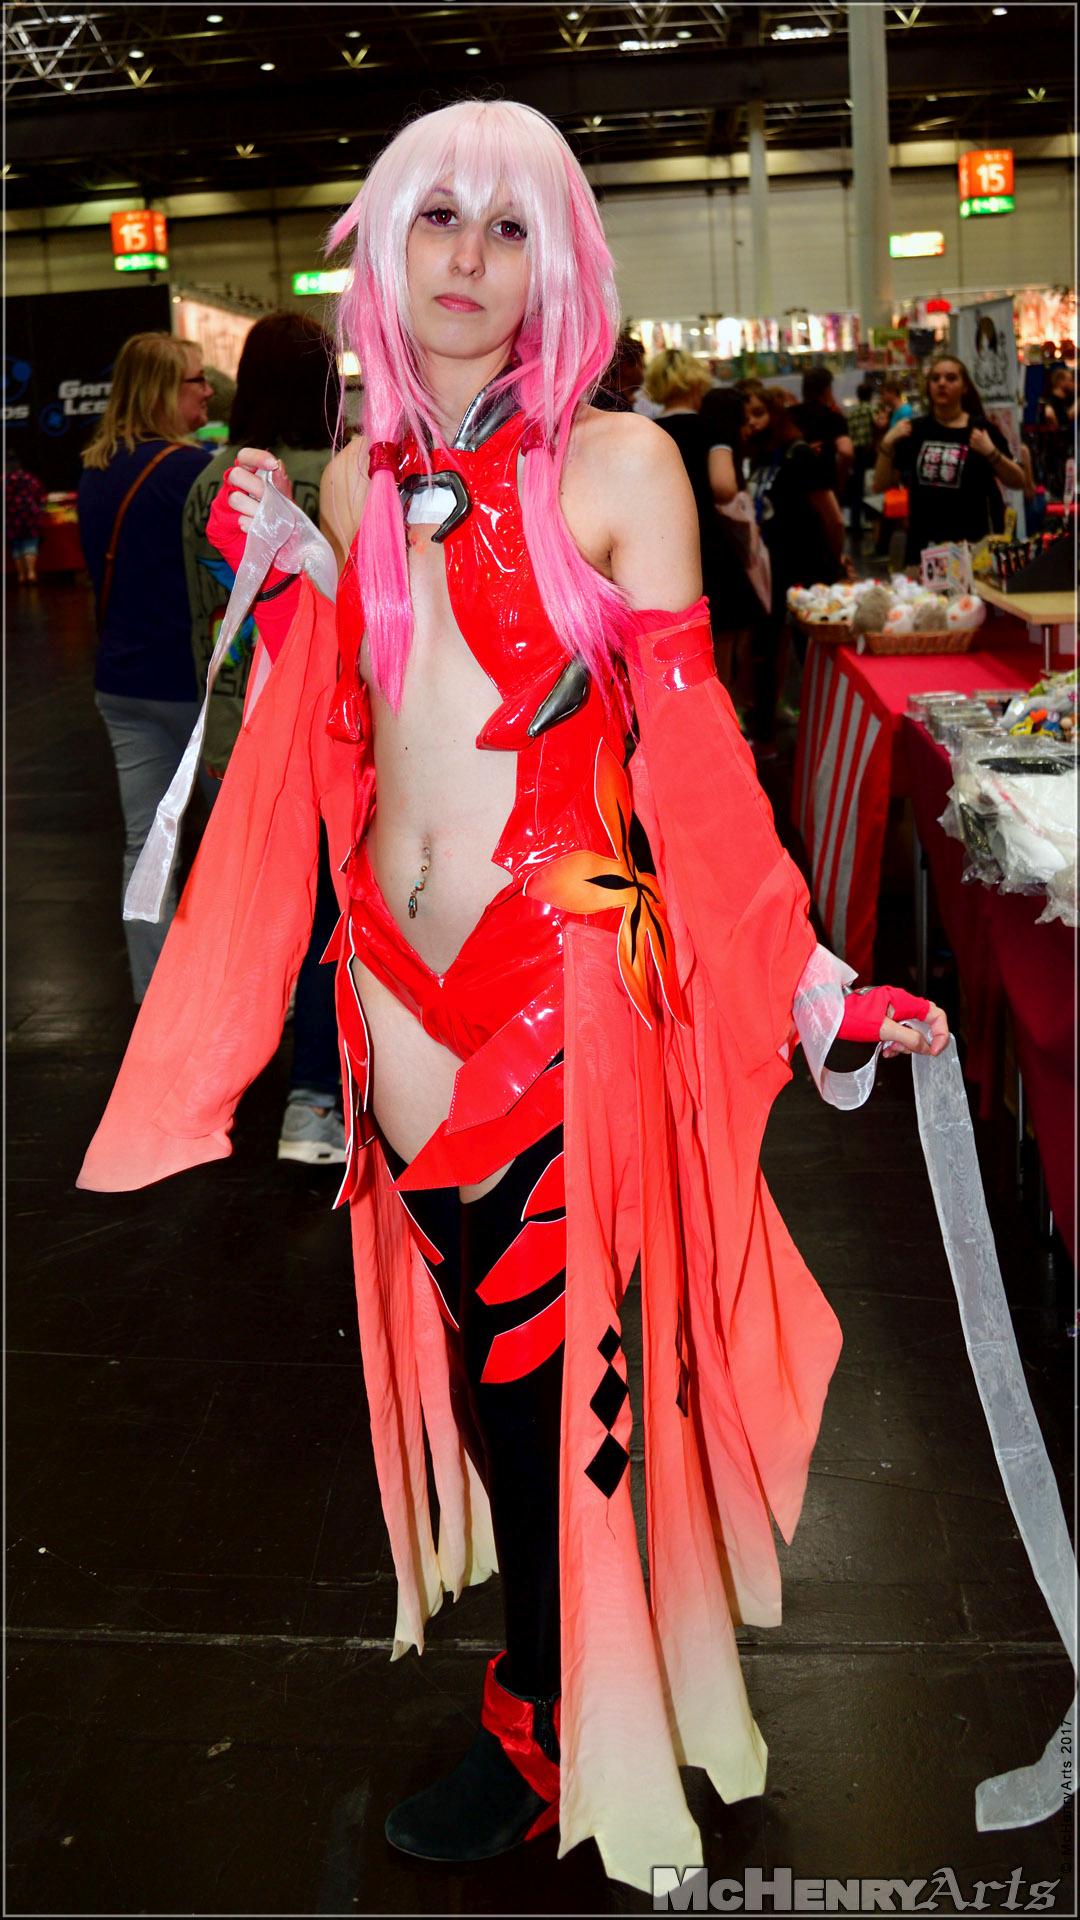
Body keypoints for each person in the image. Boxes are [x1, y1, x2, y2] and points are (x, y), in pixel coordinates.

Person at [78, 99, 947, 1893]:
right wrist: (306, 585)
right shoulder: (354, 478)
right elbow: (368, 730)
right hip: (391, 994)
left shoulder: (622, 469)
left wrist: (797, 975)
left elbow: (693, 762)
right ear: (386, 247)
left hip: (567, 965)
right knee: (492, 1363)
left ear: (562, 263)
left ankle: (551, 1722)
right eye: (437, 220)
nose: (469, 259)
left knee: (565, 1382)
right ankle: (559, 1693)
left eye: (509, 227)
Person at [182, 310, 345, 1166]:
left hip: (229, 730)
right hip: (321, 734)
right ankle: (316, 1101)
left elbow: (201, 619)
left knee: (255, 913)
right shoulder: (341, 478)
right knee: (326, 919)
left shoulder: (209, 480)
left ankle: (221, 1086)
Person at [77, 332, 214, 1003]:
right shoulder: (191, 471)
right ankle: (243, 994)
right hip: (192, 686)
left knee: (147, 843)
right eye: (196, 380)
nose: (208, 391)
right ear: (163, 389)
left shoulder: (96, 468)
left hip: (122, 682)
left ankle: (154, 991)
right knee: (234, 839)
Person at [742, 380, 846, 750]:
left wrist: (835, 563)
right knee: (769, 652)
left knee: (814, 654)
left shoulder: (798, 454)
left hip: (807, 569)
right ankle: (769, 733)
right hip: (771, 570)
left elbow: (832, 517)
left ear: (775, 413)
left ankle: (829, 734)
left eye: (759, 413)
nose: (752, 422)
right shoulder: (759, 456)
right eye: (746, 416)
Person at [645, 351, 759, 687]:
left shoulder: (646, 431)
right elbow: (724, 487)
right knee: (720, 651)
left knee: (677, 655)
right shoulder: (711, 428)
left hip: (661, 552)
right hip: (708, 545)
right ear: (695, 385)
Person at [875, 351, 1025, 566]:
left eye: (951, 378)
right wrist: (887, 443)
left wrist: (991, 453)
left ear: (965, 387)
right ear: (928, 387)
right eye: (935, 378)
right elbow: (881, 484)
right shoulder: (915, 430)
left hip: (974, 550)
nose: (942, 383)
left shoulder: (980, 430)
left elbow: (1019, 481)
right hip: (924, 549)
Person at [698, 383, 767, 693]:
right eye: (746, 417)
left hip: (711, 559)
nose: (751, 424)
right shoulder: (719, 445)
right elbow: (725, 488)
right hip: (722, 560)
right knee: (725, 653)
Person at [791, 364, 853, 497]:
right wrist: (839, 481)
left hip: (794, 486)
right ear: (827, 390)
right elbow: (846, 452)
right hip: (824, 488)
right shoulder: (834, 418)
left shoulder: (790, 414)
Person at [5, 447, 47, 584]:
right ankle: (31, 572)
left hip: (11, 518)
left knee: (16, 546)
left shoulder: (5, 480)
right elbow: (41, 496)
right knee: (30, 544)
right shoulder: (29, 478)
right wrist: (40, 509)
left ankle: (21, 575)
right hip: (30, 517)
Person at [845, 378, 877, 543]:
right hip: (870, 453)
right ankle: (873, 522)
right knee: (872, 488)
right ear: (870, 395)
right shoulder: (872, 409)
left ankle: (855, 524)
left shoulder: (852, 412)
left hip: (856, 453)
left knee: (857, 490)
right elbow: (877, 428)